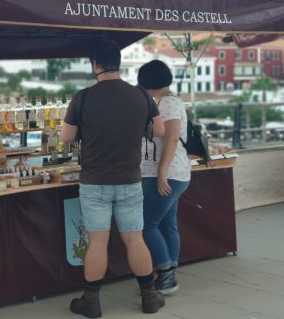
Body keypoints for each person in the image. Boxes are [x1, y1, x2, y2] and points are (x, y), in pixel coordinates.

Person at [61, 41, 165, 318]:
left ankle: (91, 302)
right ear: (118, 62)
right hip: (130, 178)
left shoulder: (82, 97)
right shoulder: (141, 95)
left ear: (95, 65)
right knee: (134, 239)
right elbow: (160, 130)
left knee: (98, 242)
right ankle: (150, 297)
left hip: (94, 180)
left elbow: (66, 137)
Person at [137, 60, 191, 295]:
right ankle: (167, 273)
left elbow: (170, 138)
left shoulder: (167, 103)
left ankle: (165, 273)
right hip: (174, 172)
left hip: (165, 173)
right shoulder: (168, 100)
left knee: (147, 225)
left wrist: (161, 173)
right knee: (167, 224)